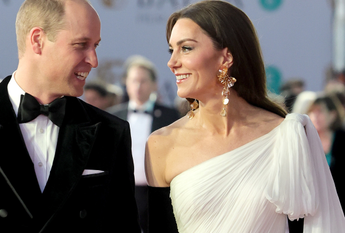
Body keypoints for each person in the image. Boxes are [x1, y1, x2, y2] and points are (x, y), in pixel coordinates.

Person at [0, 0, 140, 232]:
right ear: (38, 40)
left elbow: (123, 225)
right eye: (81, 45)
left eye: (96, 46)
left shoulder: (110, 131)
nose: (93, 60)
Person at [145, 1, 345, 233]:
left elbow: (316, 226)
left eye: (186, 48)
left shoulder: (287, 135)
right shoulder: (161, 145)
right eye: (172, 50)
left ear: (226, 57)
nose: (172, 62)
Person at [108, 55, 180, 233]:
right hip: (123, 193)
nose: (138, 87)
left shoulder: (170, 116)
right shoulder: (112, 116)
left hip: (159, 193)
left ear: (154, 84)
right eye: (133, 81)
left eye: (143, 81)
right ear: (126, 83)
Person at [307, 94, 345, 213]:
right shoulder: (305, 140)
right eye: (312, 112)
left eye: (320, 112)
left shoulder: (341, 139)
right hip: (312, 207)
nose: (315, 116)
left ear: (333, 115)